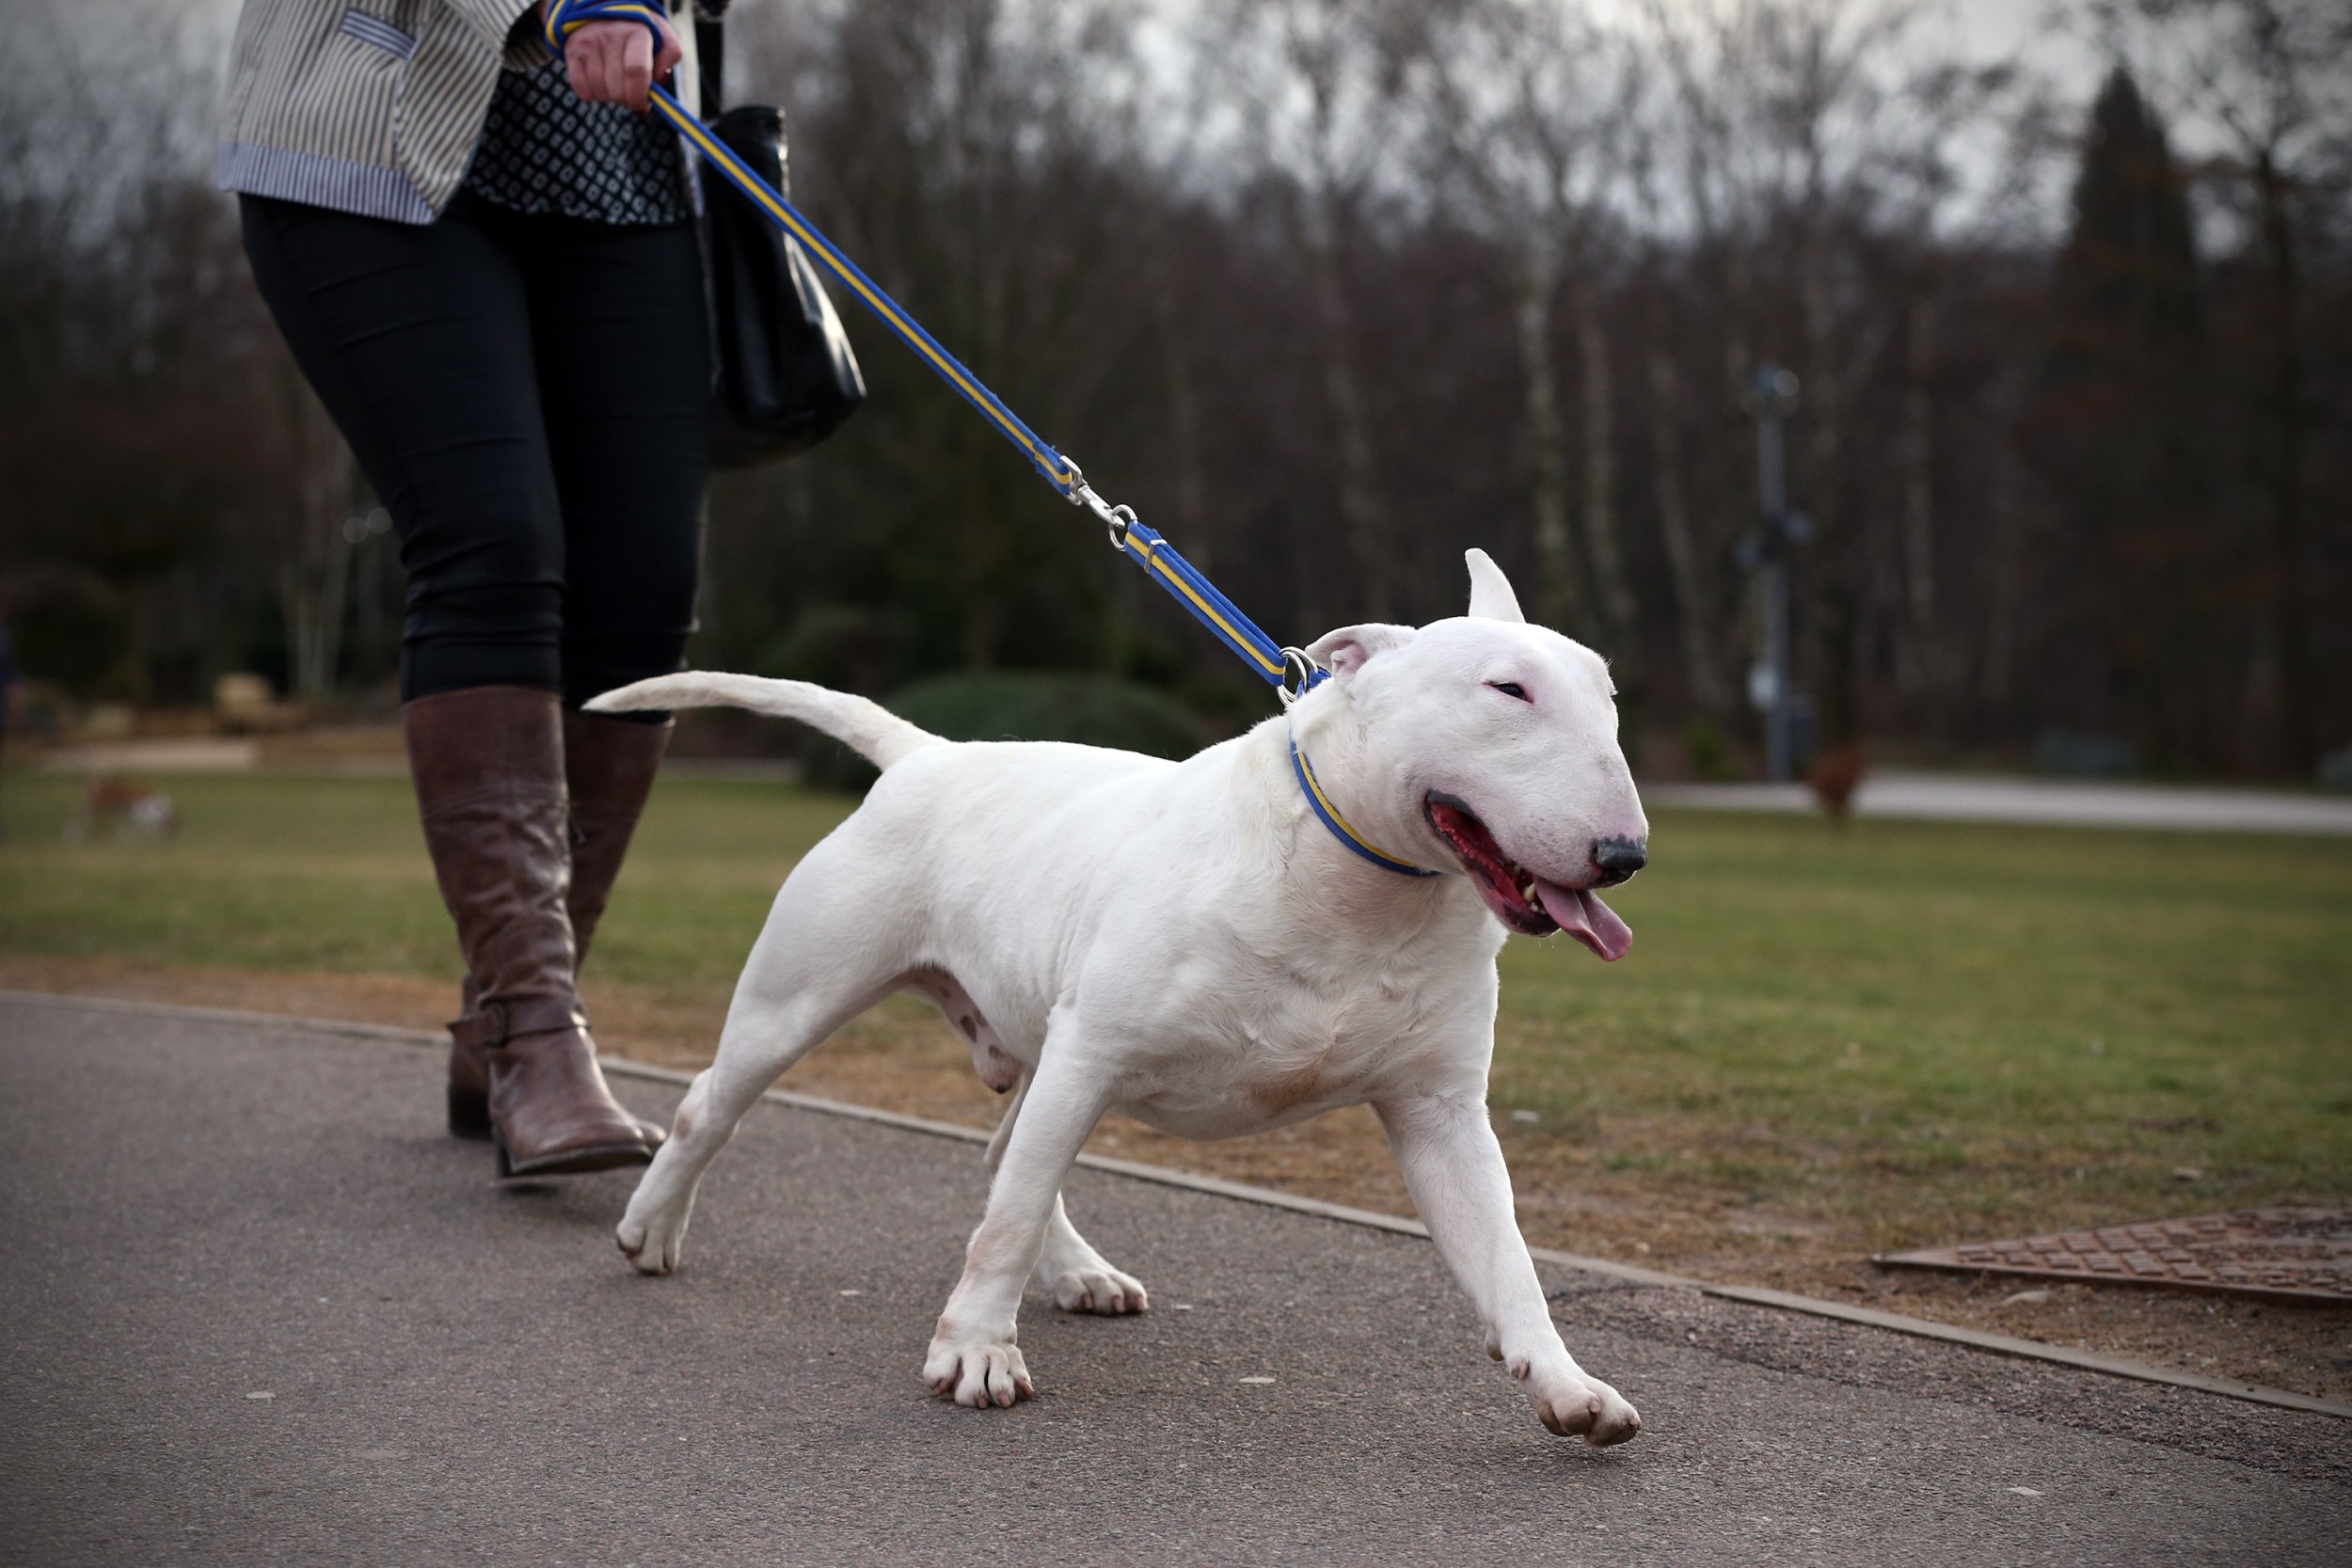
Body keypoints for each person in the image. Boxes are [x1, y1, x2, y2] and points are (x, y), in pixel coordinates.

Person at [219, 0, 724, 1176]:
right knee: (492, 542)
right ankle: (535, 1029)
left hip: (627, 165)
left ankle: (503, 1020)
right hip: (373, 136)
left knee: (646, 595)